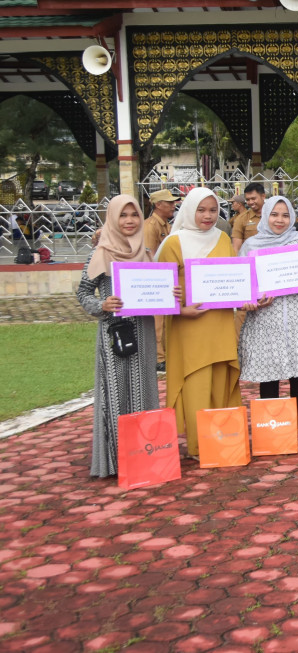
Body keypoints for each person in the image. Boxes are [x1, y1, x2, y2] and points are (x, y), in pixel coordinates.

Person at [238, 196, 298, 449]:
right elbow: (242, 282)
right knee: (269, 375)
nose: (280, 220)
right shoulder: (251, 246)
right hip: (265, 320)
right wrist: (252, 298)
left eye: (285, 215)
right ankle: (271, 431)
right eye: (274, 214)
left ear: (292, 217)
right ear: (265, 215)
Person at [156, 187, 242, 459]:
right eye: (201, 210)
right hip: (189, 325)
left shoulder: (223, 238)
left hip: (219, 322)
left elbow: (233, 278)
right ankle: (198, 445)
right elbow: (161, 290)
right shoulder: (174, 243)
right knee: (196, 382)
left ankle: (223, 439)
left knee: (219, 379)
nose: (208, 216)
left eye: (213, 210)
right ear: (189, 211)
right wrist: (181, 310)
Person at [77, 194, 159, 477]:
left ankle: (145, 456)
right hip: (115, 332)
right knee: (114, 391)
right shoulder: (100, 252)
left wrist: (170, 294)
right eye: (122, 215)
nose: (129, 221)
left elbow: (157, 291)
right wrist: (102, 305)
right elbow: (83, 292)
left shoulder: (146, 252)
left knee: (143, 388)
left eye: (134, 215)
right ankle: (114, 461)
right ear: (112, 218)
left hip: (144, 331)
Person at [143, 188, 178, 373]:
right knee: (158, 320)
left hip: (166, 276)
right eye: (169, 202)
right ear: (158, 205)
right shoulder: (150, 226)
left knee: (166, 319)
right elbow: (149, 254)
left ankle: (164, 354)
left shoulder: (165, 225)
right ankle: (158, 357)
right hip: (156, 278)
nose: (173, 205)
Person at [230, 182, 265, 253]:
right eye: (248, 200)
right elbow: (236, 248)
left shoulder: (274, 216)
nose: (251, 202)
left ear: (263, 196)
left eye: (253, 198)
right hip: (250, 260)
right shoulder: (241, 219)